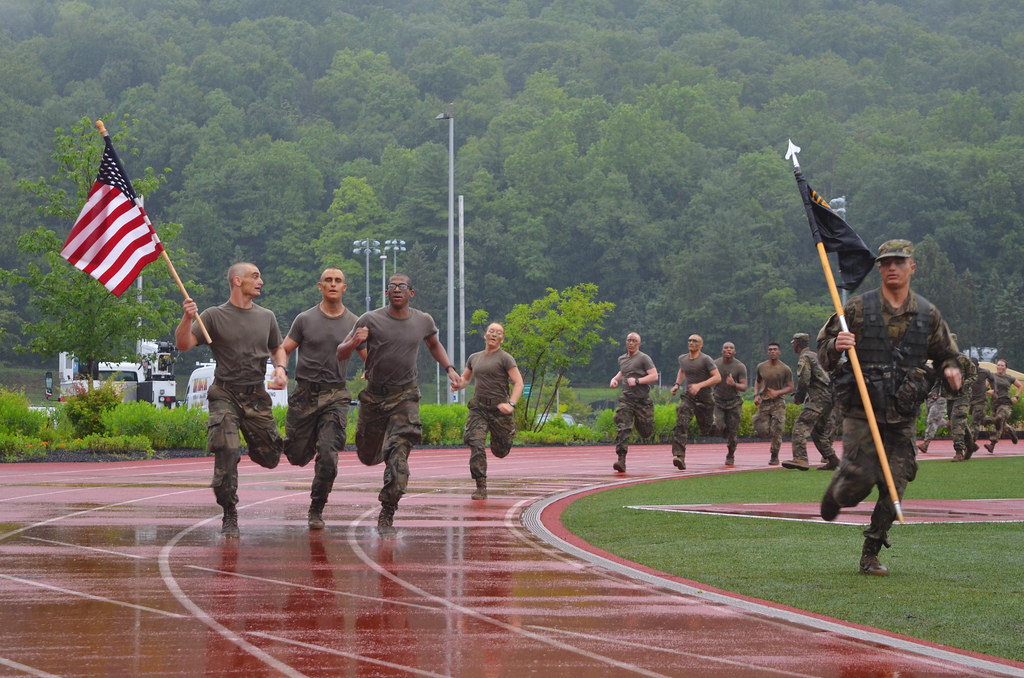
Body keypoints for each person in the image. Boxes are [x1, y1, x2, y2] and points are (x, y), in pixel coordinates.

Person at [818, 239, 962, 576]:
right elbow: (823, 352)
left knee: (895, 485)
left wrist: (951, 369)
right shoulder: (856, 309)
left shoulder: (927, 314)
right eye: (885, 263)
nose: (891, 267)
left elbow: (947, 354)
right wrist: (836, 346)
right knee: (859, 481)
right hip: (861, 410)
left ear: (912, 266)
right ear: (879, 268)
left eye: (899, 261)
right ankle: (839, 489)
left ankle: (870, 552)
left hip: (902, 413)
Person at [336, 273, 460, 537]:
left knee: (399, 457)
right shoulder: (370, 319)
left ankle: (387, 511)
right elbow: (340, 352)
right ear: (385, 293)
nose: (396, 290)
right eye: (391, 287)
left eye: (401, 286)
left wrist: (449, 368)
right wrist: (355, 342)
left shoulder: (423, 321)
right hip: (374, 397)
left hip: (405, 397)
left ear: (411, 293)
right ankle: (381, 448)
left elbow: (434, 345)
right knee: (367, 456)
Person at [174, 262, 288, 537]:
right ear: (237, 281)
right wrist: (188, 318)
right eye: (255, 276)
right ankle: (229, 512)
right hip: (225, 394)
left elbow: (277, 348)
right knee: (226, 449)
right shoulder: (213, 316)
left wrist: (281, 369)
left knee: (271, 457)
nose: (260, 281)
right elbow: (184, 344)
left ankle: (249, 443)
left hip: (256, 396)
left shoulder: (267, 317)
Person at [281, 267, 366, 529]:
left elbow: (370, 358)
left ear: (344, 287)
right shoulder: (304, 320)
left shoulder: (355, 323)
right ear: (320, 286)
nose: (332, 284)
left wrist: (371, 373)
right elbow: (284, 349)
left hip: (335, 394)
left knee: (329, 453)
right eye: (328, 280)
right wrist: (280, 369)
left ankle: (317, 507)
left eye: (338, 281)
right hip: (304, 394)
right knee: (295, 455)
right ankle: (303, 447)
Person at [454, 322, 524, 497]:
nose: (494, 334)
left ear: (502, 338)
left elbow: (519, 383)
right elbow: (465, 380)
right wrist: (458, 384)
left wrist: (511, 404)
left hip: (500, 409)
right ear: (485, 335)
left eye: (498, 333)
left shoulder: (505, 358)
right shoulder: (474, 358)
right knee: (475, 443)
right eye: (491, 331)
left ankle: (504, 437)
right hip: (479, 408)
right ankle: (480, 485)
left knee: (500, 451)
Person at [784, 333, 839, 471]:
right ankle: (833, 460)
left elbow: (804, 379)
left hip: (819, 399)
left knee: (801, 426)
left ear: (796, 345)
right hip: (829, 399)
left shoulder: (805, 357)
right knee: (817, 432)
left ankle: (800, 458)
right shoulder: (816, 355)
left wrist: (799, 397)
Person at [608, 332, 658, 473]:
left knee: (646, 432)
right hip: (627, 399)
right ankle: (621, 460)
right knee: (623, 427)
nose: (631, 343)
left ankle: (638, 421)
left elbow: (654, 376)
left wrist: (637, 381)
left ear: (639, 344)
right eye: (629, 340)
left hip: (643, 401)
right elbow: (623, 372)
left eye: (634, 341)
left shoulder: (644, 358)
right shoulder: (622, 359)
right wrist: (615, 379)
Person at [669, 334, 720, 470]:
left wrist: (699, 385)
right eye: (689, 340)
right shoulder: (683, 359)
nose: (691, 343)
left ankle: (713, 422)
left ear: (700, 345)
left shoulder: (706, 360)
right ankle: (679, 456)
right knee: (681, 420)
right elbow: (682, 371)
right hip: (689, 396)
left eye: (695, 341)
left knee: (706, 428)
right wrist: (676, 384)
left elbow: (717, 378)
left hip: (705, 397)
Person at [752, 342, 793, 466]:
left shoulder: (785, 369)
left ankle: (774, 455)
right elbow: (757, 381)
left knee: (777, 430)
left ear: (779, 352)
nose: (772, 352)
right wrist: (756, 395)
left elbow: (790, 387)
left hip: (778, 403)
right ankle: (758, 422)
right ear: (767, 352)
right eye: (770, 350)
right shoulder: (761, 367)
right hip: (764, 403)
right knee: (763, 431)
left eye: (775, 349)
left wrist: (777, 392)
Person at [712, 341, 748, 466]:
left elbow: (744, 387)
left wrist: (734, 384)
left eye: (731, 348)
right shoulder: (715, 364)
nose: (728, 350)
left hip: (734, 403)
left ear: (734, 351)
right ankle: (723, 430)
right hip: (718, 401)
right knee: (717, 425)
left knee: (733, 432)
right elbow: (708, 379)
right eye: (725, 348)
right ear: (722, 351)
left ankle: (730, 454)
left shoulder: (739, 366)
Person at [944, 351, 977, 462]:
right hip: (950, 395)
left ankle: (959, 452)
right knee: (957, 422)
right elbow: (939, 378)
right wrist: (934, 392)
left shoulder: (964, 359)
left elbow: (973, 376)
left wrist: (963, 384)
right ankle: (970, 445)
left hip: (963, 395)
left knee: (957, 420)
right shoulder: (944, 360)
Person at [984, 358, 1021, 453]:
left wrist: (1016, 397)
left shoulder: (1009, 377)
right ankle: (1011, 432)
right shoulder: (992, 376)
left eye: (1002, 365)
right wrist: (989, 391)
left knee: (999, 419)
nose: (1000, 367)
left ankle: (992, 444)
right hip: (995, 404)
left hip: (1006, 404)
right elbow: (984, 387)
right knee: (1001, 424)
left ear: (1006, 368)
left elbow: (1020, 386)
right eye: (998, 365)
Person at [968, 357, 994, 449]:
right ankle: (994, 420)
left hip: (981, 401)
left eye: (973, 366)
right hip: (971, 401)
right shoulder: (967, 372)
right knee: (981, 418)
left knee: (975, 422)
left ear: (977, 366)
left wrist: (994, 389)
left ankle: (971, 443)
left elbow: (992, 378)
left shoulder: (984, 372)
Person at [915, 381, 947, 454]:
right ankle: (958, 428)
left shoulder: (941, 370)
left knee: (932, 419)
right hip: (929, 397)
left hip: (939, 397)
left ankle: (926, 443)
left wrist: (940, 392)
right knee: (937, 420)